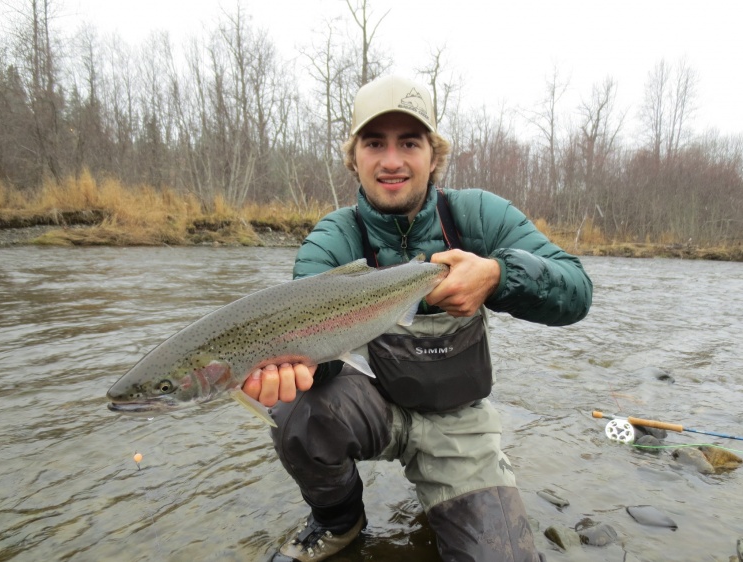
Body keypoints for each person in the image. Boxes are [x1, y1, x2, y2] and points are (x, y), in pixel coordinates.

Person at [243, 75, 593, 562]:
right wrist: (286, 365)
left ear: (434, 154)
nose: (391, 160)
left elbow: (576, 291)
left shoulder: (479, 216)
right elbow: (318, 370)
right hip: (375, 408)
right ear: (354, 158)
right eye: (374, 143)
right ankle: (339, 522)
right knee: (293, 410)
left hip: (459, 423)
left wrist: (497, 275)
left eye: (409, 142)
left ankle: (459, 496)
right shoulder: (333, 238)